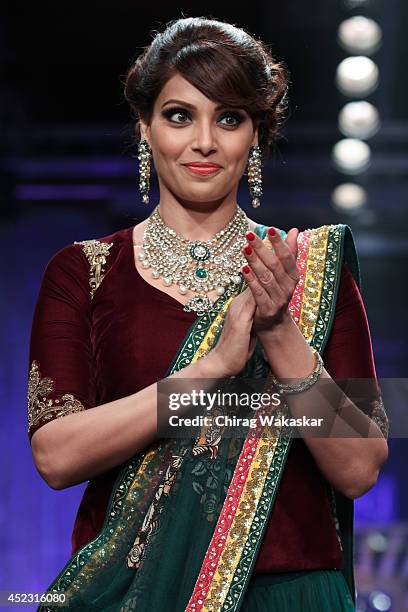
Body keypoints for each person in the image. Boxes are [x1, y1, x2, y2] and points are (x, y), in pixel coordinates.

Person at [28, 16, 389, 612]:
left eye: (229, 118)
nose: (204, 141)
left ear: (255, 137)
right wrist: (208, 372)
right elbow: (57, 457)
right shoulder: (84, 273)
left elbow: (358, 468)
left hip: (291, 594)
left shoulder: (310, 269)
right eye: (178, 115)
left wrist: (279, 330)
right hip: (138, 593)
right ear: (146, 129)